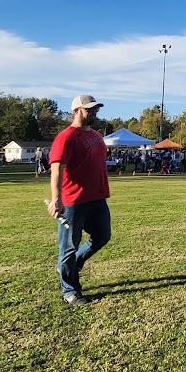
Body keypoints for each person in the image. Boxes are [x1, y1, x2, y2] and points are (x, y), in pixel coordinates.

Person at [47, 94, 113, 306]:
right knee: (68, 248)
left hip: (97, 198)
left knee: (102, 236)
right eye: (89, 109)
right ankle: (70, 291)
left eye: (95, 109)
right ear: (76, 111)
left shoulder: (96, 135)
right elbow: (57, 170)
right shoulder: (66, 137)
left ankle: (73, 264)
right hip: (73, 202)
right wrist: (56, 199)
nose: (94, 112)